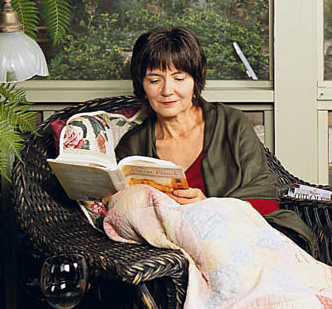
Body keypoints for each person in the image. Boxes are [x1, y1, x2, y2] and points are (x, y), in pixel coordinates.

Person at [115, 26, 314, 253]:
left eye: (179, 78)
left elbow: (266, 200)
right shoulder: (132, 145)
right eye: (154, 80)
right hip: (173, 253)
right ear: (142, 85)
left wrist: (208, 206)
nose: (167, 90)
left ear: (195, 81)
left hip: (250, 237)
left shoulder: (231, 124)